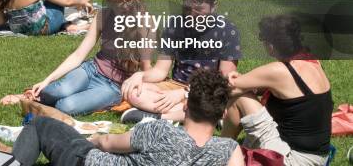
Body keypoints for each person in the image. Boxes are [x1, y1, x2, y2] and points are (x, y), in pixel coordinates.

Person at [13, 69, 244, 166]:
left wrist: (92, 139)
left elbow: (107, 143)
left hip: (88, 161)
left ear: (186, 107)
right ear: (223, 113)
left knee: (40, 123)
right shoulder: (230, 149)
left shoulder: (159, 131)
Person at [28, 0, 150, 115]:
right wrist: (47, 80)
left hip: (113, 87)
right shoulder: (103, 15)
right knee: (52, 92)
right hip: (91, 70)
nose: (124, 6)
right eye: (118, 1)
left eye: (128, 0)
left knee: (66, 106)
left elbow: (146, 69)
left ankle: (40, 103)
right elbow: (79, 54)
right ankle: (33, 96)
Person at [121, 0, 240, 122]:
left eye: (199, 10)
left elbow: (223, 80)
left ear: (213, 7)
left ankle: (160, 117)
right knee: (133, 91)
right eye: (187, 9)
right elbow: (160, 71)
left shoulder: (228, 31)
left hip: (208, 90)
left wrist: (185, 93)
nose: (191, 16)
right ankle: (196, 115)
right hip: (175, 85)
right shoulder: (174, 25)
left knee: (214, 101)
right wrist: (140, 76)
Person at [223, 15, 332, 166]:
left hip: (294, 160)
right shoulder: (311, 61)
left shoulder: (279, 71)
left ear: (271, 46)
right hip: (319, 157)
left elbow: (230, 89)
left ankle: (219, 153)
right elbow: (283, 89)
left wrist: (238, 82)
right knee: (243, 90)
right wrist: (245, 81)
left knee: (240, 97)